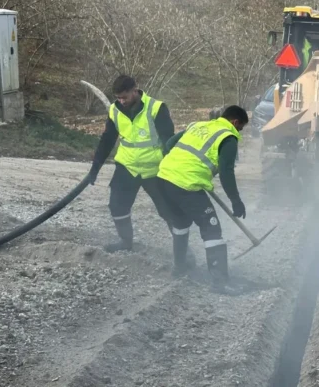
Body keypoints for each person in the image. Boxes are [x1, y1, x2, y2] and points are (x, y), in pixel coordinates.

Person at [156, 105, 249, 291]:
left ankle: (179, 268)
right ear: (235, 122)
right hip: (186, 184)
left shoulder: (198, 125)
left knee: (181, 224)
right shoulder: (228, 137)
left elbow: (168, 144)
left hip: (163, 178)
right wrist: (236, 201)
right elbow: (226, 172)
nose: (240, 131)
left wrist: (176, 165)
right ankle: (220, 282)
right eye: (241, 128)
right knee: (211, 227)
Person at [88, 75, 177, 253]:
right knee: (117, 205)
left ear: (135, 90)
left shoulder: (156, 108)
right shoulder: (115, 110)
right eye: (118, 98)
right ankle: (125, 242)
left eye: (125, 97)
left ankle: (182, 250)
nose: (122, 101)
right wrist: (95, 168)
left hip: (155, 169)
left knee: (168, 210)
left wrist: (175, 168)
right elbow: (107, 140)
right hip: (127, 167)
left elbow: (169, 141)